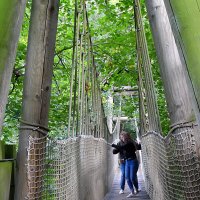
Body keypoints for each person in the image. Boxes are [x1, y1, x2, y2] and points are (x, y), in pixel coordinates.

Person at [112, 131, 140, 198]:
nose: (122, 138)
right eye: (121, 137)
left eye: (124, 136)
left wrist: (113, 145)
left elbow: (123, 147)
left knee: (132, 177)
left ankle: (137, 189)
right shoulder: (120, 143)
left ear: (127, 136)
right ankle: (132, 191)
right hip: (126, 161)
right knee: (126, 177)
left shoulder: (130, 142)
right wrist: (115, 149)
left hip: (133, 161)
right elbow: (115, 151)